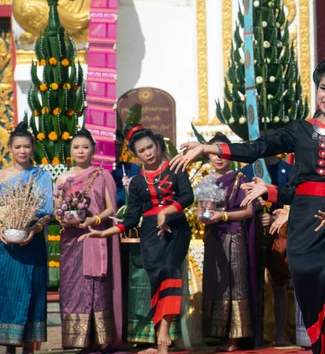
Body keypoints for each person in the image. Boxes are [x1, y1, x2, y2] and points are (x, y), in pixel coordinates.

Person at [171, 44, 325, 354]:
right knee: (305, 276)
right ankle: (324, 342)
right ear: (316, 89)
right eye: (324, 88)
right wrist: (208, 148)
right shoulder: (300, 130)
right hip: (304, 219)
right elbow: (256, 148)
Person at [78, 124, 194, 354]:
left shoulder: (176, 169)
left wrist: (166, 212)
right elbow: (130, 219)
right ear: (135, 154)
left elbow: (188, 196)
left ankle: (163, 334)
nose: (148, 153)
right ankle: (161, 337)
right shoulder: (138, 182)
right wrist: (103, 231)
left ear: (158, 145)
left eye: (150, 147)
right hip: (151, 234)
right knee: (157, 280)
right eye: (142, 150)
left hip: (176, 229)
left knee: (170, 270)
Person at [55, 128, 122, 349]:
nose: (81, 151)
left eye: (85, 146)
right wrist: (64, 220)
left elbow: (111, 208)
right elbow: (57, 211)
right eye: (76, 147)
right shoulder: (63, 178)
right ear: (70, 151)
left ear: (94, 149)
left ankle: (100, 339)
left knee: (97, 285)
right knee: (73, 286)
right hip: (71, 241)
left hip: (95, 236)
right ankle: (77, 340)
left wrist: (93, 221)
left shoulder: (102, 175)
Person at [0, 122, 53, 353]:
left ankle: (28, 349)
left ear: (33, 149)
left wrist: (35, 229)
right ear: (9, 148)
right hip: (5, 246)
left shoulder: (41, 176)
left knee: (32, 291)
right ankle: (8, 346)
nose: (23, 151)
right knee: (6, 291)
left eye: (27, 146)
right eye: (18, 146)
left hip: (32, 242)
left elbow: (47, 212)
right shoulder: (1, 176)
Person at [201, 132, 255, 351]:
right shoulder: (207, 180)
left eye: (222, 151)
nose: (218, 157)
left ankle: (235, 338)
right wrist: (204, 216)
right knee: (217, 285)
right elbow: (201, 211)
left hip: (234, 237)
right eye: (214, 152)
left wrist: (223, 216)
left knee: (235, 284)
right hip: (214, 238)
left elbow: (249, 211)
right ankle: (218, 334)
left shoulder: (239, 179)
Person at [241, 155, 293, 348]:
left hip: (279, 232)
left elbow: (294, 199)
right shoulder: (247, 171)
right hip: (253, 232)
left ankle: (280, 334)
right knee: (253, 283)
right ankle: (254, 334)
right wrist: (255, 209)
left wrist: (274, 216)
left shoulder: (288, 170)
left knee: (279, 284)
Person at [112, 130, 141, 208]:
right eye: (113, 145)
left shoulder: (132, 169)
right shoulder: (97, 171)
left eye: (119, 145)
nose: (117, 149)